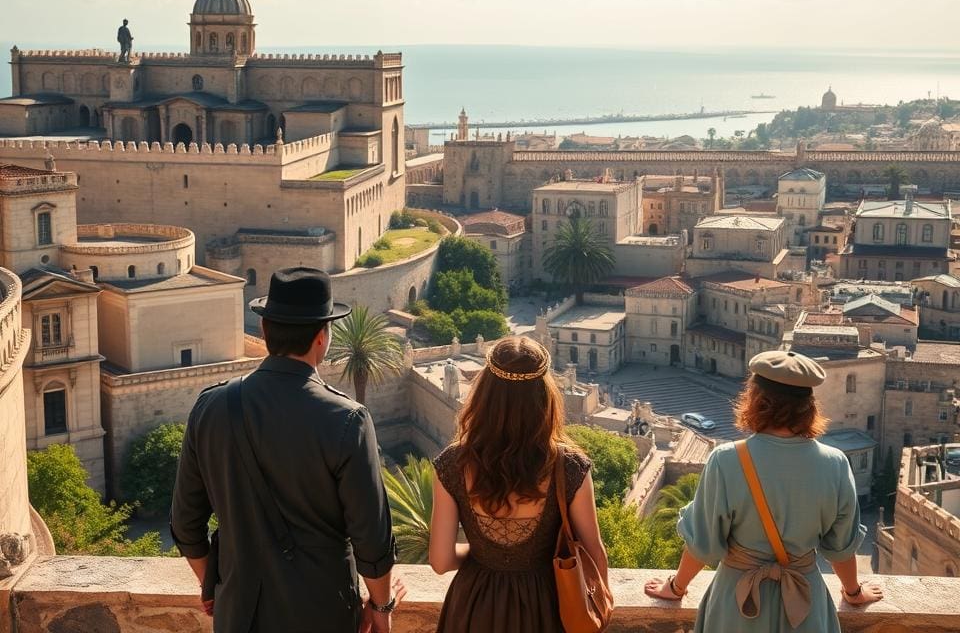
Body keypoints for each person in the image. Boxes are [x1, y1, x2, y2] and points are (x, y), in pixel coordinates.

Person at [171, 267, 401, 633]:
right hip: (323, 614)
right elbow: (371, 540)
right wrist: (381, 607)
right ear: (322, 337)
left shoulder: (210, 407)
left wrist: (214, 585)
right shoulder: (347, 420)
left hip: (239, 616)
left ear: (263, 331)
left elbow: (185, 525)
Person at [644, 350, 883, 632]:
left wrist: (675, 587)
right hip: (805, 605)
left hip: (735, 608)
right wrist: (854, 593)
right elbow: (841, 548)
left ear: (755, 400)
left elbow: (703, 544)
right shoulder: (836, 464)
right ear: (809, 406)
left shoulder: (726, 460)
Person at [429, 336, 608, 632]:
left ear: (484, 392)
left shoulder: (452, 463)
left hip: (474, 608)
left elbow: (440, 561)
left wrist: (483, 552)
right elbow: (595, 554)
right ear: (546, 395)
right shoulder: (570, 465)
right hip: (548, 610)